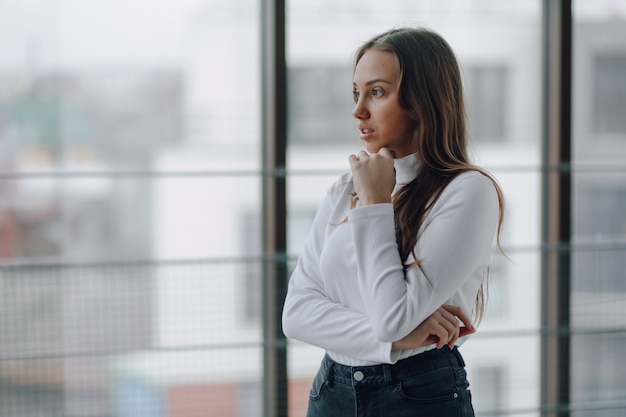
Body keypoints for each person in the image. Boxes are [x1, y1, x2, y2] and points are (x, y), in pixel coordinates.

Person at [282, 27, 505, 417]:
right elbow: (296, 313)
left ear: (423, 101)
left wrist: (374, 203)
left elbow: (392, 318)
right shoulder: (344, 187)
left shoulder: (469, 192)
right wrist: (399, 336)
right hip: (332, 391)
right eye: (357, 92)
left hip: (419, 394)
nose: (358, 110)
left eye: (377, 92)